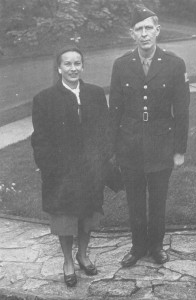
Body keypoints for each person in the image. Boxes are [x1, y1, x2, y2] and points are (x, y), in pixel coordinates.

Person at [108, 5, 190, 267]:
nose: (144, 34)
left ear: (157, 31)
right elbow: (115, 111)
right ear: (132, 34)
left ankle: (156, 246)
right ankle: (137, 247)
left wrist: (179, 150)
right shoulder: (121, 65)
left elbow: (182, 111)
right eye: (138, 29)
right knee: (134, 200)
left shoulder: (175, 64)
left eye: (148, 28)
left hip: (161, 143)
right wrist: (112, 150)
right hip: (129, 143)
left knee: (157, 200)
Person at [31, 45, 109, 287]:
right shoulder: (44, 99)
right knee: (65, 218)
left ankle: (83, 255)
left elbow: (104, 131)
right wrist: (49, 167)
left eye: (77, 63)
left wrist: (102, 160)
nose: (73, 68)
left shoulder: (95, 94)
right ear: (59, 68)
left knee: (87, 215)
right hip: (62, 173)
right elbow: (40, 139)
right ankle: (67, 261)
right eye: (68, 64)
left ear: (83, 66)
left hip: (90, 169)